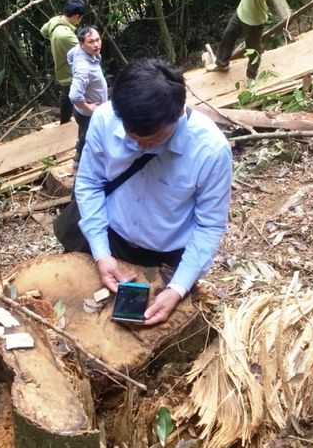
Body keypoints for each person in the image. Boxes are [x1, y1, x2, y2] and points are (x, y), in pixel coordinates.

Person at [72, 59, 232, 325]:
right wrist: (101, 251)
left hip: (169, 258)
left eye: (154, 139)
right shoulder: (103, 119)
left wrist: (178, 287)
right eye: (133, 138)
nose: (142, 147)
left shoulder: (211, 150)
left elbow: (209, 226)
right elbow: (90, 182)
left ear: (179, 112)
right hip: (112, 237)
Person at [40, 0, 87, 124]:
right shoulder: (66, 35)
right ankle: (68, 124)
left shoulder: (55, 20)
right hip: (69, 71)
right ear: (77, 16)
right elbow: (84, 51)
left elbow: (43, 31)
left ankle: (65, 122)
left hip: (61, 67)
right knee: (74, 97)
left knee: (67, 96)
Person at [67, 26, 107, 168]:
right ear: (81, 43)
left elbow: (69, 56)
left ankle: (80, 158)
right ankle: (80, 164)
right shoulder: (83, 68)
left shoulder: (78, 52)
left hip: (84, 111)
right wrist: (88, 107)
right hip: (88, 113)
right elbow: (74, 95)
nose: (96, 44)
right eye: (91, 42)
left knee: (84, 134)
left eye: (98, 40)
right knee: (88, 137)